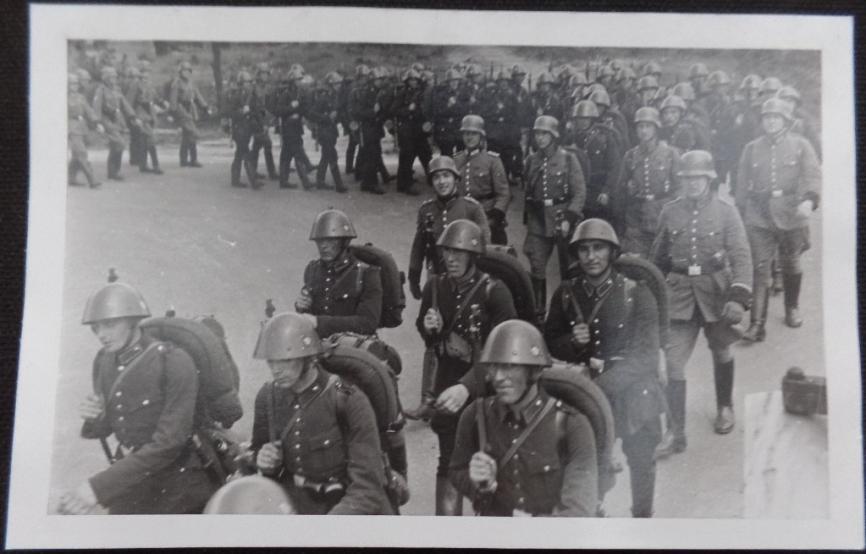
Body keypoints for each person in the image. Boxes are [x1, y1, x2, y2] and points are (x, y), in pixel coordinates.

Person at [59, 282, 215, 514]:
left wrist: (97, 489)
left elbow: (169, 443)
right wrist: (95, 416)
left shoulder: (174, 361)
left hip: (179, 486)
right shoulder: (105, 361)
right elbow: (115, 425)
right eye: (95, 328)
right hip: (134, 481)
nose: (101, 335)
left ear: (133, 320)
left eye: (110, 324)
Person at [544, 219, 665, 517]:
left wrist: (602, 386)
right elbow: (550, 340)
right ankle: (592, 515)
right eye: (583, 249)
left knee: (641, 456)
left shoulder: (638, 292)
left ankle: (642, 519)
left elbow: (647, 355)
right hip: (586, 385)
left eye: (598, 248)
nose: (591, 256)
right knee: (583, 459)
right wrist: (572, 342)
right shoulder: (567, 292)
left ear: (612, 252)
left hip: (631, 386)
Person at [651, 150, 753, 458]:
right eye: (687, 179)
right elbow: (657, 257)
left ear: (709, 179)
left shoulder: (726, 211)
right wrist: (650, 291)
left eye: (698, 178)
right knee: (673, 362)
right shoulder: (670, 211)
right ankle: (675, 431)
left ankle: (725, 406)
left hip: (715, 292)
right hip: (679, 293)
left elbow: (741, 255)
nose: (693, 184)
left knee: (721, 349)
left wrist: (738, 296)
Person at [415, 219, 517, 515]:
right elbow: (428, 337)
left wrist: (467, 386)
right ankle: (447, 532)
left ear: (474, 256)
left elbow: (506, 354)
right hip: (449, 383)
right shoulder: (435, 286)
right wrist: (428, 327)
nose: (451, 258)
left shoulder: (495, 292)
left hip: (489, 391)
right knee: (449, 460)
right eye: (447, 251)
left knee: (492, 464)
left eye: (459, 253)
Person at [450, 319, 599, 517]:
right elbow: (456, 470)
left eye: (510, 367)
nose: (498, 377)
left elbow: (578, 511)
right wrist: (481, 485)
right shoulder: (476, 416)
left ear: (535, 371)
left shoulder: (572, 425)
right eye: (493, 367)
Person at [250, 312, 394, 514]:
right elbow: (258, 452)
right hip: (297, 506)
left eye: (285, 361)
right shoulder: (268, 397)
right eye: (271, 362)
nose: (276, 371)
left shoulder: (348, 398)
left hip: (347, 507)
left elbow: (367, 487)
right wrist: (264, 461)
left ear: (308, 358)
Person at [735, 98, 821, 340]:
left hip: (791, 212)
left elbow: (813, 176)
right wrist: (740, 213)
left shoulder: (801, 145)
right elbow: (741, 184)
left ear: (785, 121)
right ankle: (756, 324)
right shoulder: (751, 148)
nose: (770, 121)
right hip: (758, 213)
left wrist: (809, 200)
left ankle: (791, 308)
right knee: (760, 268)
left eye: (776, 117)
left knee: (791, 263)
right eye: (767, 117)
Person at [522, 115, 586, 314]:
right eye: (537, 134)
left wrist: (569, 218)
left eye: (545, 134)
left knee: (569, 270)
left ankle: (571, 311)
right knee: (537, 266)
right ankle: (538, 311)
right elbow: (528, 190)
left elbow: (579, 192)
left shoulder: (568, 158)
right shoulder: (532, 160)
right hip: (539, 221)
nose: (540, 138)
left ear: (554, 136)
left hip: (562, 218)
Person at [407, 156, 490, 301]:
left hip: (467, 275)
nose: (442, 182)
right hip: (436, 276)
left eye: (446, 176)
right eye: (436, 177)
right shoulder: (426, 210)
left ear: (455, 179)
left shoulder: (472, 208)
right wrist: (414, 277)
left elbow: (485, 246)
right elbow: (418, 247)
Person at [294, 209, 383, 338]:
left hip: (351, 345)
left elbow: (368, 323)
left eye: (330, 240)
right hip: (318, 343)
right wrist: (301, 306)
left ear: (344, 242)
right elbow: (309, 313)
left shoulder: (367, 273)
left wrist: (319, 322)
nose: (323, 246)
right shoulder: (313, 269)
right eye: (319, 241)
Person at [618, 107, 680, 257]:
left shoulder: (670, 154)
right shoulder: (630, 156)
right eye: (640, 127)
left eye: (648, 126)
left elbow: (679, 186)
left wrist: (675, 212)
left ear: (656, 128)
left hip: (662, 213)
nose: (644, 131)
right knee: (637, 261)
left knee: (663, 258)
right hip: (636, 216)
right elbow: (620, 188)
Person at [453, 115, 511, 245]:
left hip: (487, 215)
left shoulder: (492, 160)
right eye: (466, 133)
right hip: (463, 216)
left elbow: (503, 193)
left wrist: (495, 217)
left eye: (474, 133)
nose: (469, 137)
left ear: (481, 136)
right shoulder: (457, 160)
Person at [566, 100, 623, 224]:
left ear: (592, 119)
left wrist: (606, 191)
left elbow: (615, 166)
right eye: (579, 118)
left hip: (597, 188)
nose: (582, 121)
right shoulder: (572, 137)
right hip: (577, 188)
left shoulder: (605, 137)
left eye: (586, 118)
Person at [93, 66, 138, 181]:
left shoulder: (117, 89)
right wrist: (98, 122)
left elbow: (124, 104)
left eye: (114, 77)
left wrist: (132, 116)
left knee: (117, 146)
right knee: (119, 144)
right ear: (105, 78)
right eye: (111, 77)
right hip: (107, 119)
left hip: (118, 119)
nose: (114, 79)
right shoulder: (101, 90)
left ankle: (113, 171)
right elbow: (97, 107)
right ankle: (113, 171)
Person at [272, 66, 312, 190]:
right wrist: (292, 108)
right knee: (297, 152)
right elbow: (278, 110)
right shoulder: (285, 94)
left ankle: (283, 181)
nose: (300, 82)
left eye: (301, 79)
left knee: (287, 155)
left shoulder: (300, 93)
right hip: (288, 128)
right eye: (298, 80)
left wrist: (300, 112)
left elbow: (304, 108)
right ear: (293, 82)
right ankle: (306, 181)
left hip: (296, 127)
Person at [392, 68, 431, 196]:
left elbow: (424, 109)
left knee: (425, 153)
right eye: (411, 80)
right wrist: (408, 110)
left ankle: (431, 177)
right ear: (407, 81)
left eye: (415, 80)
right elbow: (394, 110)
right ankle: (404, 184)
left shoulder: (420, 93)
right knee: (406, 157)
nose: (413, 82)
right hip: (406, 130)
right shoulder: (402, 93)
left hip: (418, 129)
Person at [309, 71, 347, 192]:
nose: (339, 86)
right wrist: (326, 117)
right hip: (324, 132)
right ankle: (339, 185)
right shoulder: (323, 98)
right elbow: (312, 114)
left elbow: (337, 113)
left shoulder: (335, 96)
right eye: (336, 84)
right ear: (330, 85)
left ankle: (320, 181)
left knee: (325, 157)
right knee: (332, 156)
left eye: (339, 84)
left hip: (331, 131)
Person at [223, 71, 261, 189]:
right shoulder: (234, 95)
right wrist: (242, 111)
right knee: (246, 153)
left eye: (249, 82)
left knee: (239, 154)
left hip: (247, 128)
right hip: (238, 129)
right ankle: (253, 181)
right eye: (246, 82)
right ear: (241, 83)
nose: (248, 84)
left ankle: (235, 179)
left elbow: (255, 110)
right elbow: (228, 112)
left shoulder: (250, 95)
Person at [169, 61, 211, 168]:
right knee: (192, 133)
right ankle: (191, 159)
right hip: (181, 109)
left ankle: (187, 160)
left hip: (191, 109)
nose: (186, 73)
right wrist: (173, 113)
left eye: (188, 71)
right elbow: (173, 100)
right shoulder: (176, 83)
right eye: (184, 71)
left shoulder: (191, 83)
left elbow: (197, 96)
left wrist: (205, 106)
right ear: (180, 72)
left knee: (187, 136)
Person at [68, 72, 103, 188]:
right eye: (72, 83)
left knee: (77, 154)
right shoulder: (62, 97)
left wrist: (97, 123)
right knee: (81, 153)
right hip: (71, 126)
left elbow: (89, 111)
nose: (75, 86)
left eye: (76, 83)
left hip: (81, 127)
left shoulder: (81, 97)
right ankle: (92, 180)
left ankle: (71, 178)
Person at [130, 64, 163, 175]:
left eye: (148, 72)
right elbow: (129, 102)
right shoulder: (135, 85)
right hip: (140, 115)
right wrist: (133, 117)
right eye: (144, 72)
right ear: (140, 73)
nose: (146, 75)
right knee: (151, 139)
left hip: (150, 114)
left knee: (144, 141)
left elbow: (155, 97)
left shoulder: (149, 84)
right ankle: (156, 165)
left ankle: (143, 165)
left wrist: (162, 102)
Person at [250, 63, 279, 181]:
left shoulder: (266, 88)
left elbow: (268, 106)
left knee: (257, 146)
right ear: (258, 74)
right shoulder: (254, 88)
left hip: (262, 119)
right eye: (263, 73)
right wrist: (263, 124)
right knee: (267, 144)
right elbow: (255, 107)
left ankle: (253, 171)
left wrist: (269, 121)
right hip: (255, 120)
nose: (265, 76)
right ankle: (271, 173)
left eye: (267, 74)